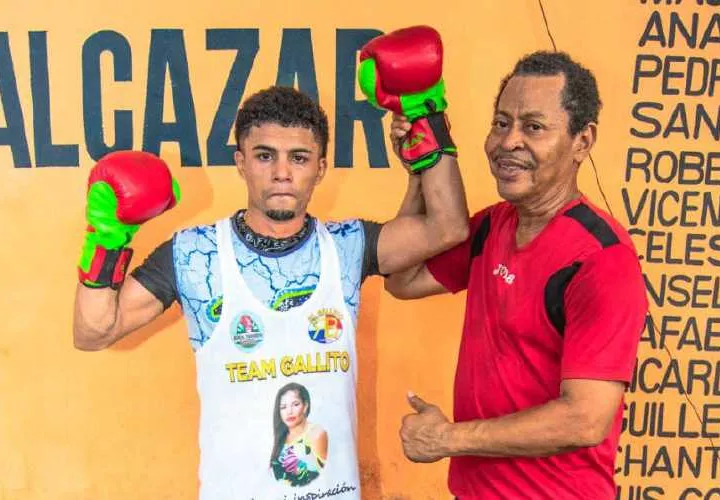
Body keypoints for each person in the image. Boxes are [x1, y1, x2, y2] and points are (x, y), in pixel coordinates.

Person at [72, 26, 468, 499]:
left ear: (320, 167)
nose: (282, 172)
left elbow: (447, 227)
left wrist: (427, 117)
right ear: (241, 162)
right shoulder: (195, 255)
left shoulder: (346, 245)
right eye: (265, 156)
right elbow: (94, 331)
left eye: (299, 158)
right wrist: (108, 237)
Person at [385, 51, 649, 499]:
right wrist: (421, 169)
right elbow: (402, 277)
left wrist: (447, 438)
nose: (509, 142)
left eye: (533, 127)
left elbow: (585, 419)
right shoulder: (494, 225)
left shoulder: (602, 259)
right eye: (501, 123)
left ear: (582, 142)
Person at [270, 382, 328, 487]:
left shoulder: (316, 434)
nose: (289, 411)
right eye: (283, 407)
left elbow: (324, 477)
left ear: (305, 406)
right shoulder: (279, 437)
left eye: (295, 404)